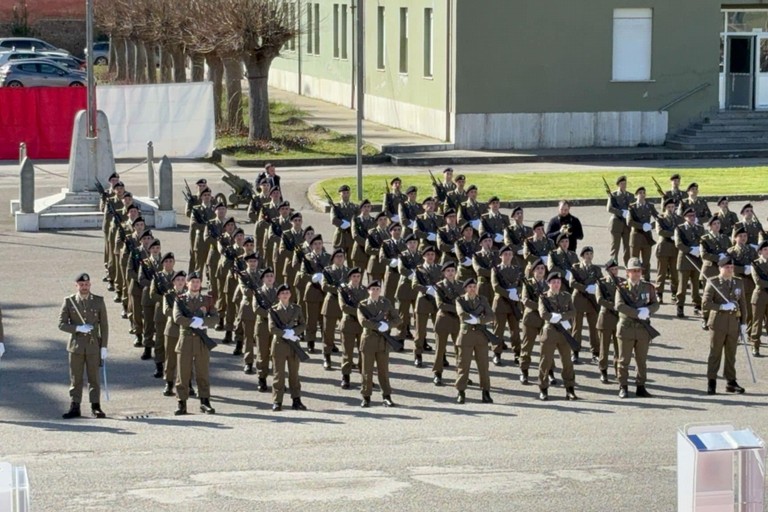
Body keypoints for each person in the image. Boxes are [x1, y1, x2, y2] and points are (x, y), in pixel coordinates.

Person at [58, 273, 109, 419]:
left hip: (93, 346)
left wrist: (104, 346)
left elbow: (104, 325)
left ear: (90, 285)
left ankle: (96, 406)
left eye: (86, 284)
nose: (84, 287)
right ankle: (75, 406)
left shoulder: (98, 301)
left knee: (94, 378)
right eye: (81, 285)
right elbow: (61, 324)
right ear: (77, 286)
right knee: (76, 378)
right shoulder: (69, 301)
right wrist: (78, 328)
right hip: (76, 346)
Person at [173, 271, 219, 415]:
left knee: (202, 372)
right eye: (192, 282)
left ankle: (205, 402)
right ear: (187, 284)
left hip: (201, 341)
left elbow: (215, 318)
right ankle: (182, 403)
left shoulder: (207, 300)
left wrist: (203, 322)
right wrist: (193, 322)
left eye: (198, 282)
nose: (195, 284)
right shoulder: (180, 299)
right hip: (185, 339)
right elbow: (178, 318)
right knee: (183, 373)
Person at [702, 258, 748, 395]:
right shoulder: (714, 282)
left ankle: (731, 381)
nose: (730, 269)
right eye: (727, 267)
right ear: (720, 268)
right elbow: (706, 303)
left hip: (733, 323)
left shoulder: (738, 282)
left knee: (731, 354)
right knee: (715, 353)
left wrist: (744, 323)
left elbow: (743, 304)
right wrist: (721, 306)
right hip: (718, 323)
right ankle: (712, 381)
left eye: (731, 267)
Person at [615, 257, 659, 399]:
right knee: (624, 360)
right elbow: (619, 306)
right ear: (627, 272)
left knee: (641, 360)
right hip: (626, 328)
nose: (636, 273)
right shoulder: (621, 288)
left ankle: (641, 386)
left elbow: (655, 303)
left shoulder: (648, 287)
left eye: (638, 271)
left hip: (642, 329)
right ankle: (623, 386)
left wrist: (648, 310)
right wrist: (637, 313)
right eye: (633, 271)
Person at [356, 280, 402, 407]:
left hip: (383, 342)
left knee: (383, 371)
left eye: (377, 289)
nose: (375, 291)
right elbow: (363, 322)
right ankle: (366, 396)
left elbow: (398, 319)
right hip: (369, 340)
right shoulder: (363, 304)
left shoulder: (386, 303)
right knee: (367, 371)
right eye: (373, 289)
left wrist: (388, 325)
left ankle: (386, 396)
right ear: (368, 291)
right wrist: (377, 326)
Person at [537, 272, 577, 401]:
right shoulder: (544, 297)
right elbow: (543, 313)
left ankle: (570, 389)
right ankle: (543, 389)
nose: (556, 284)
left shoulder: (566, 296)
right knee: (546, 361)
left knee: (567, 362)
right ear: (548, 283)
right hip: (550, 332)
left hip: (564, 332)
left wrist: (562, 317)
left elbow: (573, 311)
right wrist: (552, 317)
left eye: (558, 282)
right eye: (553, 282)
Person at [454, 278, 494, 404]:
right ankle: (461, 391)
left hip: (481, 336)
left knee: (483, 366)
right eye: (470, 287)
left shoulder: (482, 299)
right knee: (463, 365)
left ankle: (486, 392)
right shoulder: (460, 300)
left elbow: (491, 316)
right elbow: (462, 314)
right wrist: (476, 318)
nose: (472, 289)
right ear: (465, 288)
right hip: (466, 336)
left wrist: (478, 321)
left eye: (474, 286)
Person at [268, 284, 308, 411]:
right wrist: (285, 333)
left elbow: (303, 324)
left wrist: (294, 332)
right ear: (279, 296)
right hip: (279, 344)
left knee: (294, 374)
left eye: (287, 292)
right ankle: (277, 401)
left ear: (290, 295)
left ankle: (296, 400)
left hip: (293, 345)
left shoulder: (296, 308)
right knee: (278, 375)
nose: (285, 295)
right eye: (282, 293)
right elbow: (272, 328)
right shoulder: (273, 310)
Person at [491, 244, 524, 366]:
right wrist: (508, 294)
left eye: (510, 254)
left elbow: (522, 285)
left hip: (514, 304)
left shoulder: (517, 269)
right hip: (500, 303)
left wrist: (517, 292)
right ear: (500, 256)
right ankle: (497, 353)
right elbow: (495, 286)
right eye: (505, 254)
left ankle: (517, 353)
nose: (508, 256)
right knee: (498, 330)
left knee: (515, 331)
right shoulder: (496, 269)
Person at [569, 246, 602, 364]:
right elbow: (572, 282)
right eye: (586, 254)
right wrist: (586, 288)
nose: (589, 256)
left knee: (594, 327)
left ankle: (595, 352)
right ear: (582, 256)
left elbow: (601, 282)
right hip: (578, 299)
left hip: (592, 301)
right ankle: (575, 352)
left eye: (590, 254)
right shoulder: (576, 268)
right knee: (576, 327)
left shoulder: (597, 269)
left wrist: (596, 288)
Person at [433, 261, 464, 385]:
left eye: (452, 270)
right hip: (444, 319)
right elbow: (440, 304)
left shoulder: (461, 285)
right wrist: (457, 308)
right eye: (448, 271)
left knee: (459, 348)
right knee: (440, 348)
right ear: (444, 273)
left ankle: (461, 373)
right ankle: (437, 373)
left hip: (457, 320)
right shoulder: (439, 286)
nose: (450, 273)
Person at [519, 260, 549, 385]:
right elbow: (525, 300)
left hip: (545, 320)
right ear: (533, 271)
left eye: (542, 268)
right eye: (538, 269)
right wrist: (541, 307)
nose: (540, 271)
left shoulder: (549, 284)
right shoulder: (528, 284)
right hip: (531, 318)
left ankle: (549, 372)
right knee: (527, 346)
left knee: (547, 347)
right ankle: (524, 371)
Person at [338, 267, 368, 389]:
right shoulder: (344, 290)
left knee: (363, 352)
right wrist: (360, 312)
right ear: (350, 278)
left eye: (358, 276)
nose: (356, 279)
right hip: (349, 323)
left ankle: (365, 377)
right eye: (354, 276)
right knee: (347, 352)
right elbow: (344, 307)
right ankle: (346, 376)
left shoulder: (364, 290)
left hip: (362, 325)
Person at [412, 246, 441, 366]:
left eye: (432, 254)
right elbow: (414, 285)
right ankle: (418, 354)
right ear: (423, 256)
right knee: (420, 331)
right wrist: (427, 289)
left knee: (439, 330)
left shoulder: (440, 268)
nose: (430, 257)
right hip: (423, 301)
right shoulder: (419, 270)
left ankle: (441, 356)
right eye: (428, 254)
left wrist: (438, 289)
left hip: (437, 302)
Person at [320, 248, 349, 368]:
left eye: (341, 256)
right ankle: (327, 356)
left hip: (345, 305)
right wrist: (338, 289)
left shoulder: (348, 271)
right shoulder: (328, 270)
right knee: (328, 333)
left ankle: (346, 359)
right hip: (331, 303)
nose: (340, 258)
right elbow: (324, 286)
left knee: (346, 333)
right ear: (333, 259)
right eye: (337, 256)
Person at [675, 207, 705, 318]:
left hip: (697, 260)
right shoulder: (680, 228)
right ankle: (680, 306)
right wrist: (691, 250)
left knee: (696, 286)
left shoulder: (700, 228)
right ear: (685, 217)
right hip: (685, 260)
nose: (692, 218)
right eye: (689, 216)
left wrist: (699, 250)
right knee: (682, 287)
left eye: (693, 215)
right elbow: (678, 244)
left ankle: (697, 306)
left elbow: (704, 241)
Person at [161, 270, 187, 397]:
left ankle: (187, 383)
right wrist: (181, 315)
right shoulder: (168, 295)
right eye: (178, 280)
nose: (180, 282)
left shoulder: (189, 295)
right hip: (172, 330)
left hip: (186, 331)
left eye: (182, 280)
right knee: (170, 358)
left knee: (187, 358)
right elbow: (166, 311)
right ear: (173, 282)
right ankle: (169, 382)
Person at [596, 259, 622, 384]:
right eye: (612, 269)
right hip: (605, 318)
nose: (614, 272)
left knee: (619, 349)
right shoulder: (601, 283)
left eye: (616, 269)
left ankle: (618, 371)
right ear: (607, 271)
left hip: (618, 319)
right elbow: (600, 300)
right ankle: (603, 371)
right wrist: (615, 306)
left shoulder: (623, 282)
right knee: (604, 348)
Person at [253, 268, 278, 392]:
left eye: (271, 276)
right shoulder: (258, 292)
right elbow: (256, 309)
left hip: (276, 327)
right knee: (262, 355)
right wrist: (270, 315)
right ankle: (262, 378)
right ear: (263, 279)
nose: (269, 278)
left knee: (276, 354)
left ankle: (277, 380)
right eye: (267, 276)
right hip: (262, 326)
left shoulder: (279, 292)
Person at [627, 186, 658, 281]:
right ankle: (633, 278)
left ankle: (646, 278)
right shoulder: (631, 207)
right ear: (636, 195)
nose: (642, 195)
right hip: (636, 236)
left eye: (643, 193)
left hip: (647, 237)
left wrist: (651, 225)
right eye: (640, 193)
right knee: (634, 260)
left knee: (646, 260)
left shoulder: (650, 206)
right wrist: (642, 226)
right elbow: (629, 222)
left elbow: (658, 218)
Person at [654, 198, 681, 303]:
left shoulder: (679, 218)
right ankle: (659, 293)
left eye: (672, 207)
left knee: (675, 273)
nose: (671, 209)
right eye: (668, 207)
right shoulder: (660, 218)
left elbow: (682, 229)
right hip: (664, 247)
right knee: (662, 272)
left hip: (675, 249)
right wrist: (673, 234)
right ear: (665, 207)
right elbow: (660, 231)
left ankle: (674, 293)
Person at [606, 176, 633, 266]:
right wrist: (621, 212)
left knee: (627, 247)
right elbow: (609, 208)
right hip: (616, 223)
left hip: (627, 224)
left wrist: (629, 213)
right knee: (615, 247)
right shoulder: (613, 195)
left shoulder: (630, 195)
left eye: (625, 183)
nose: (623, 185)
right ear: (618, 185)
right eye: (621, 183)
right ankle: (614, 266)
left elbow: (633, 208)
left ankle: (628, 265)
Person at [331, 185, 358, 265]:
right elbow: (333, 220)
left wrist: (351, 225)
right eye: (343, 193)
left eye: (347, 193)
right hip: (340, 237)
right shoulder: (336, 207)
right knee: (338, 261)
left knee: (351, 261)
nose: (345, 195)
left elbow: (358, 220)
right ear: (340, 194)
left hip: (351, 237)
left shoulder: (354, 207)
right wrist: (343, 224)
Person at [749, 241, 768, 356]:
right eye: (765, 249)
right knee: (757, 322)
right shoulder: (755, 264)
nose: (767, 251)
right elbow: (758, 281)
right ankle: (755, 346)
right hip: (760, 296)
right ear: (760, 251)